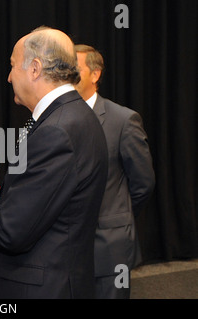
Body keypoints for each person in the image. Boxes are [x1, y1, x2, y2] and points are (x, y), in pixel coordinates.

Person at [0, 27, 108, 299]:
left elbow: (12, 231)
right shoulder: (74, 115)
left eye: (12, 66)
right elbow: (32, 211)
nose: (9, 76)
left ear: (34, 69)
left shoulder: (56, 130)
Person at [74, 44, 155, 299]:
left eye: (74, 69)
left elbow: (143, 183)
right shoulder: (53, 117)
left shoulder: (123, 120)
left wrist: (117, 216)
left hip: (110, 248)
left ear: (95, 74)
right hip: (66, 249)